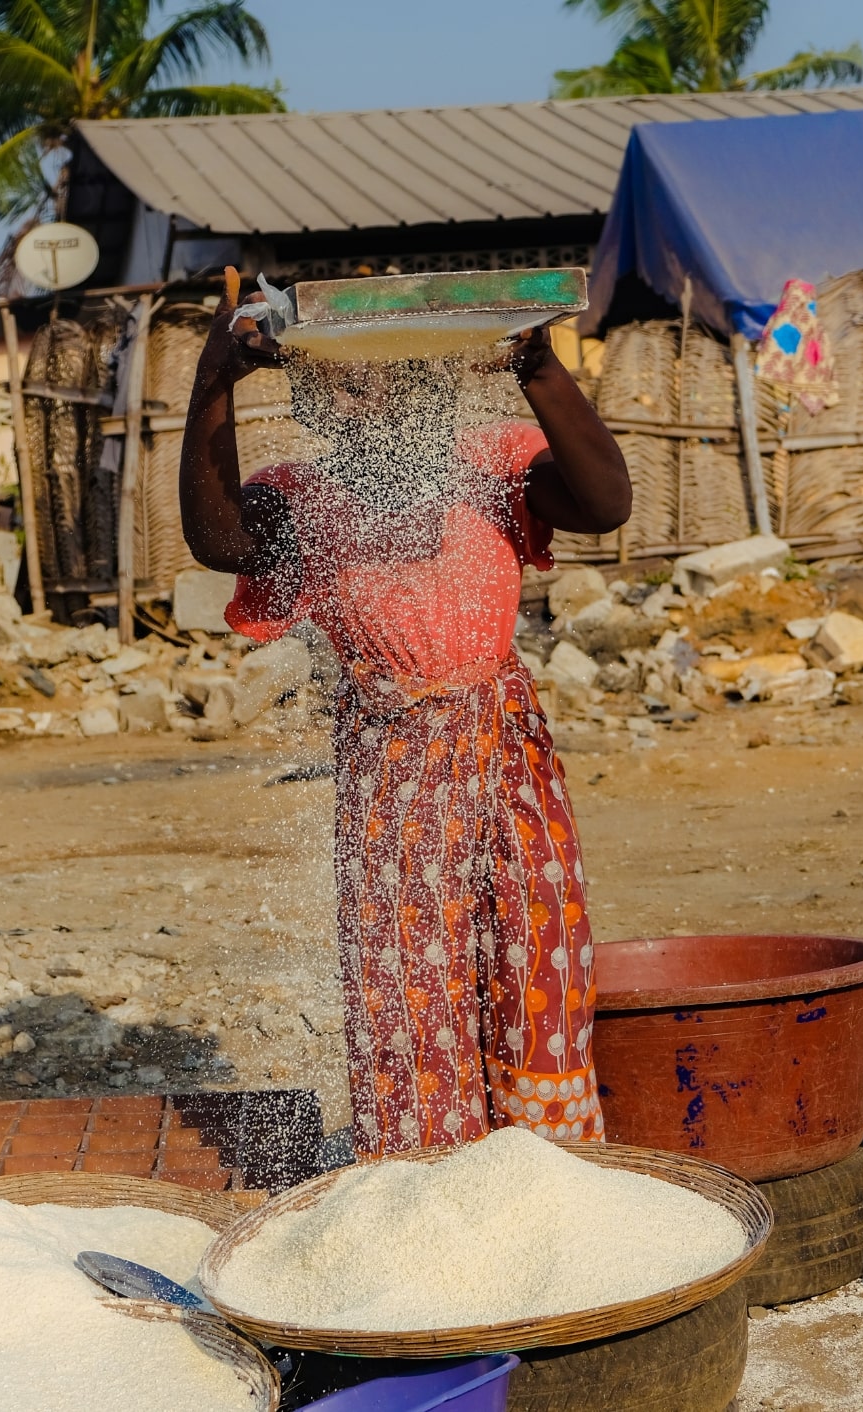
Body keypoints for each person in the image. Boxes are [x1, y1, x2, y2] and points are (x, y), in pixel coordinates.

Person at [180, 267, 631, 1158]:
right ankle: (428, 1186)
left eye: (397, 374)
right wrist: (215, 381)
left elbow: (606, 502)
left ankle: (546, 1172)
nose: (374, 397)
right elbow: (218, 540)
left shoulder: (493, 468)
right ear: (310, 399)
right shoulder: (301, 501)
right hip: (396, 768)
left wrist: (538, 367)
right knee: (410, 988)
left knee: (533, 953)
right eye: (344, 379)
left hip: (507, 751)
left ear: (435, 382)